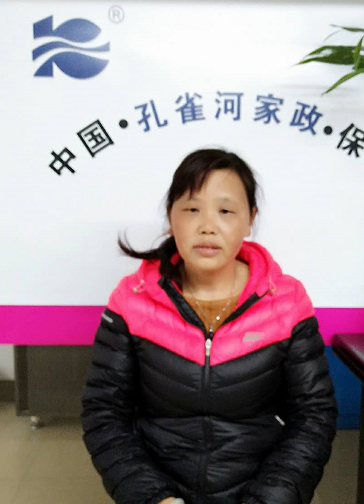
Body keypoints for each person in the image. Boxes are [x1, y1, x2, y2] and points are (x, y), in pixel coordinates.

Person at [81, 148, 338, 504]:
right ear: (171, 217)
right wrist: (156, 499)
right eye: (191, 209)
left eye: (225, 211)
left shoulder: (286, 302)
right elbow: (104, 413)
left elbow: (313, 415)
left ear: (250, 219)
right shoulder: (132, 300)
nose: (207, 226)